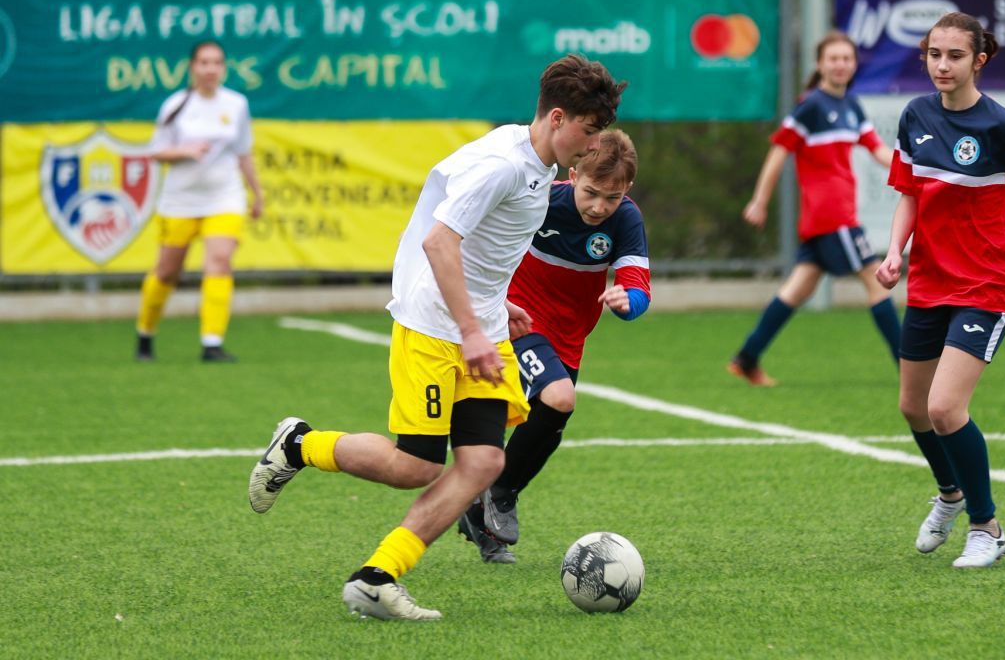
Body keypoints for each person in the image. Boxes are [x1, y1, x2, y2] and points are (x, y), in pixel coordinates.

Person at [247, 55, 626, 621]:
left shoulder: (537, 163)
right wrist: (471, 329)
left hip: (481, 325)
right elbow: (439, 242)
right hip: (433, 326)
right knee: (416, 467)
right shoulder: (503, 165)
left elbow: (482, 245)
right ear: (556, 118)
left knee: (483, 463)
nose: (594, 145)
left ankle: (377, 578)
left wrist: (496, 305)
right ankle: (300, 445)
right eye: (589, 131)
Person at [876, 12, 1005, 568]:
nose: (942, 65)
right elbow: (911, 193)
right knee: (913, 408)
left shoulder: (1004, 126)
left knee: (945, 407)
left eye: (955, 56)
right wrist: (895, 250)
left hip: (985, 285)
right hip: (928, 283)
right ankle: (950, 494)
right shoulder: (915, 115)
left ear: (979, 60)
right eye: (933, 54)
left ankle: (987, 528)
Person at [457, 129, 650, 564]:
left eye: (613, 197)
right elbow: (478, 243)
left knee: (549, 419)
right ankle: (500, 492)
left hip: (569, 337)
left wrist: (627, 301)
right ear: (573, 174)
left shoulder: (626, 219)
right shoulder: (539, 200)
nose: (599, 207)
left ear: (628, 189)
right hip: (518, 320)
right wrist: (488, 301)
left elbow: (639, 288)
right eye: (591, 193)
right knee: (559, 397)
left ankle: (479, 515)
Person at [728, 30, 901, 387]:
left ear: (854, 64)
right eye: (833, 58)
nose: (840, 65)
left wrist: (911, 171)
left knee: (797, 289)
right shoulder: (811, 106)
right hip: (833, 216)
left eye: (846, 59)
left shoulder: (851, 106)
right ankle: (909, 369)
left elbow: (878, 150)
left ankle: (746, 358)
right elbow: (779, 151)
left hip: (823, 219)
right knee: (878, 282)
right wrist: (760, 200)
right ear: (820, 64)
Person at [134, 40, 263, 363]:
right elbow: (156, 151)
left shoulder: (236, 104)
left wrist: (257, 193)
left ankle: (212, 343)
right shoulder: (176, 105)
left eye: (217, 63)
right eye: (204, 63)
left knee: (219, 261)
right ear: (192, 67)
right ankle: (145, 332)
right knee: (167, 272)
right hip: (180, 200)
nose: (210, 69)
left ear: (224, 68)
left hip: (224, 196)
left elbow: (243, 152)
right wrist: (184, 151)